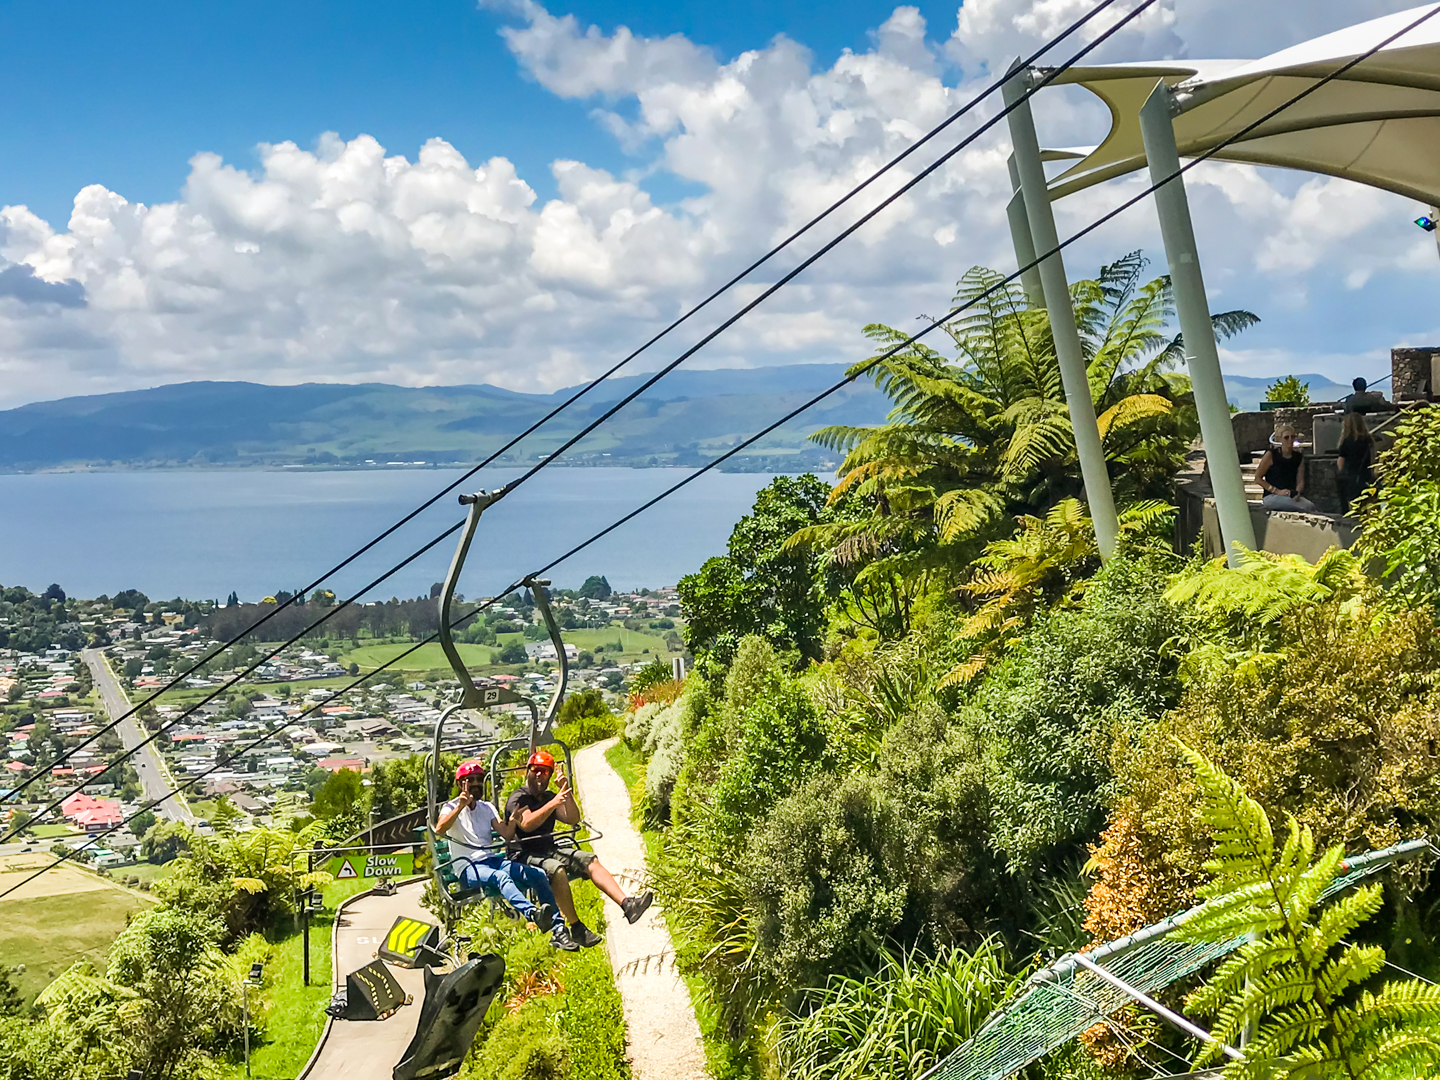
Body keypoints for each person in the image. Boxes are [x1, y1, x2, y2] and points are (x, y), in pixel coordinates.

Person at [506, 750, 654, 944]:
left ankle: (627, 904)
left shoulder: (549, 796)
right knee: (556, 870)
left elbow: (572, 818)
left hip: (547, 848)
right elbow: (526, 823)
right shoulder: (518, 798)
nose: (540, 775)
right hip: (524, 854)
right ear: (528, 772)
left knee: (589, 860)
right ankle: (576, 928)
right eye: (536, 770)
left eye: (545, 771)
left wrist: (565, 791)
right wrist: (552, 804)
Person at [435, 759, 580, 951]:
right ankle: (533, 914)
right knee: (500, 877)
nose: (476, 784)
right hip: (468, 868)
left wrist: (512, 822)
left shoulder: (487, 808)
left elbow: (506, 835)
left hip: (492, 861)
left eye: (479, 780)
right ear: (460, 784)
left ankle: (559, 929)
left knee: (538, 874)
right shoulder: (450, 807)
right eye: (471, 781)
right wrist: (460, 806)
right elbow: (440, 829)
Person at [1255, 424, 1317, 512]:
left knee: (1310, 506)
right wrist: (1276, 491)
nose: (1290, 440)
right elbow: (1258, 478)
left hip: (1290, 495)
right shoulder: (1271, 455)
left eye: (1292, 437)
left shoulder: (1298, 457)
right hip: (1272, 496)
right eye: (1286, 437)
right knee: (1306, 507)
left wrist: (1296, 492)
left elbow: (1300, 480)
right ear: (1280, 439)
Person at [1336, 411, 1375, 512]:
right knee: (1368, 506)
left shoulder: (1347, 441)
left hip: (1352, 478)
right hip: (1366, 476)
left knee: (1352, 508)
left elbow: (1341, 462)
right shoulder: (1368, 440)